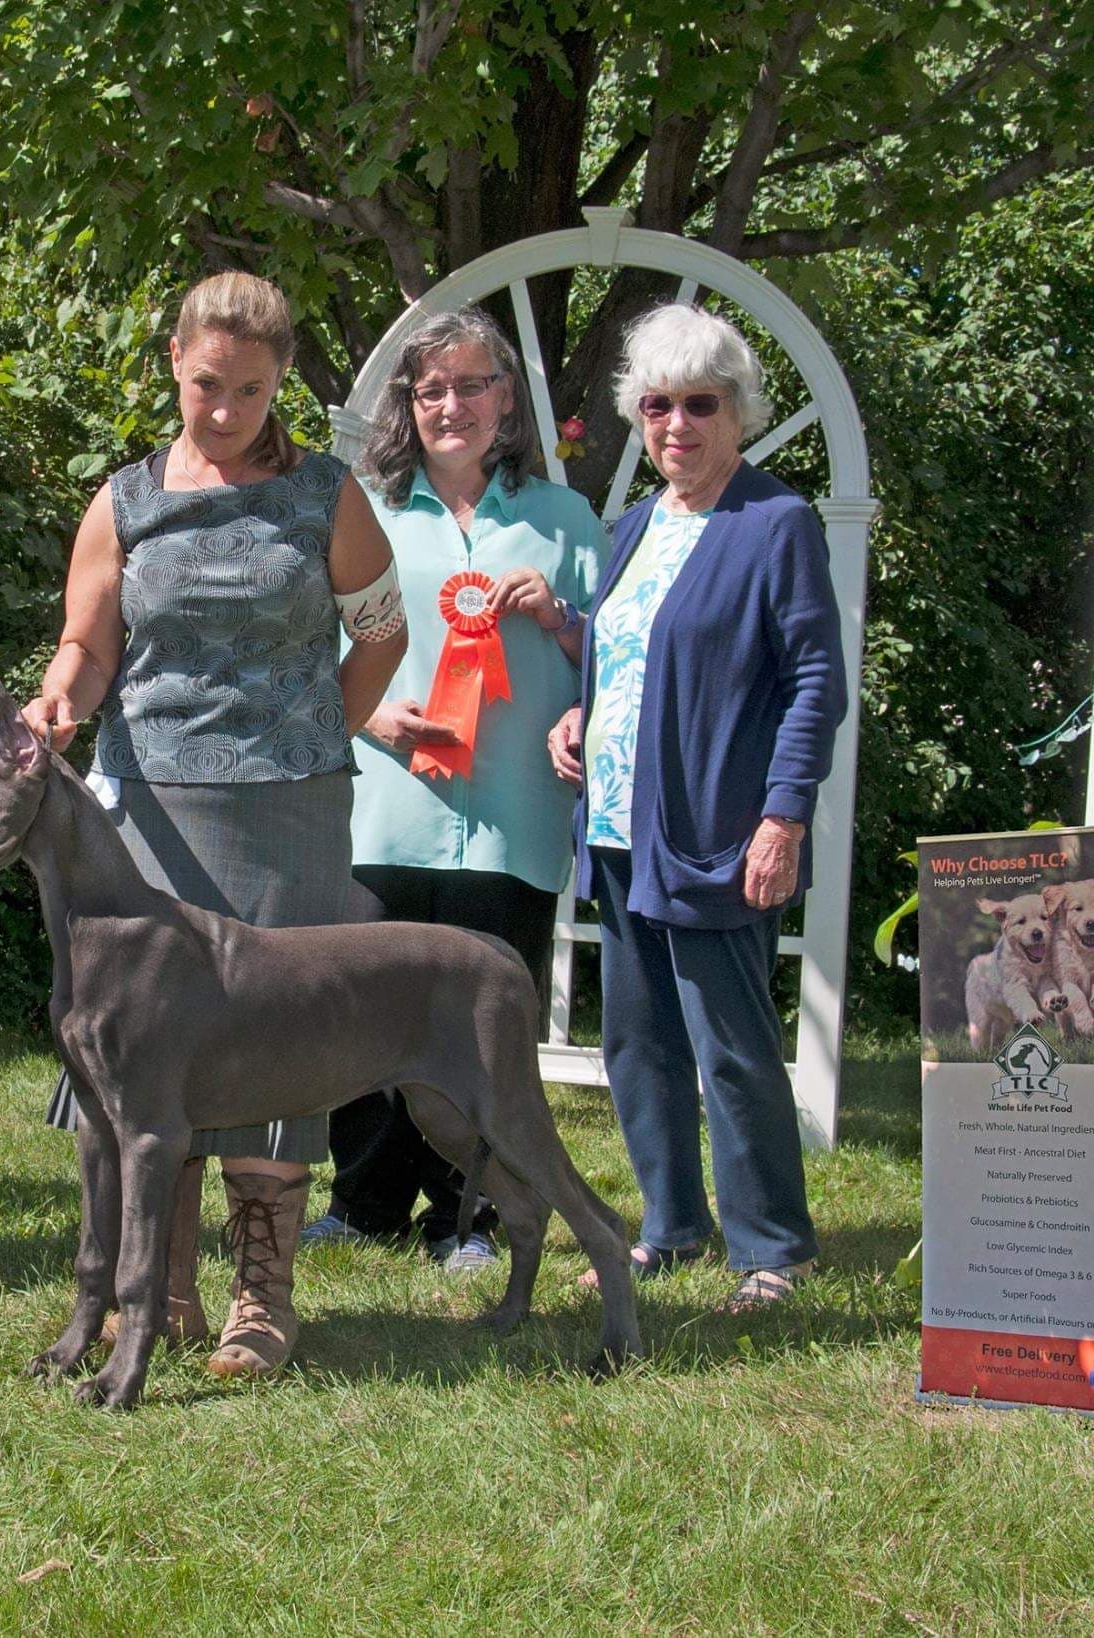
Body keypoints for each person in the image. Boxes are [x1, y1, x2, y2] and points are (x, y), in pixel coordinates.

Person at [21, 271, 406, 1377]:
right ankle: (159, 1287)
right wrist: (59, 701)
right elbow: (87, 646)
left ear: (279, 379)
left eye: (247, 388)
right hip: (145, 814)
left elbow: (380, 634)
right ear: (172, 369)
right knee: (148, 1056)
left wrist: (319, 735)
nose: (225, 410)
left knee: (277, 1044)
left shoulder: (326, 495)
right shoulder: (125, 500)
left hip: (289, 812)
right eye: (205, 386)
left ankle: (262, 1299)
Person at [548, 302, 848, 1313]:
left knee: (730, 1046)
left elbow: (814, 682)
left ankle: (772, 1246)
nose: (675, 424)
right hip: (617, 828)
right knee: (636, 1044)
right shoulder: (632, 526)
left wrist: (782, 816)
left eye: (699, 404)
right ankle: (671, 1227)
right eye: (656, 405)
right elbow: (630, 653)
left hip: (718, 833)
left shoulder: (774, 524)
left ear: (737, 413)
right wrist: (578, 714)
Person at [302, 307, 603, 1271]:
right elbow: (313, 644)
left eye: (473, 385)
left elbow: (621, 659)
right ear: (409, 404)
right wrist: (376, 716)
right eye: (432, 389)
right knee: (363, 1014)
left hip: (512, 814)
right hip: (387, 808)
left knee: (482, 1032)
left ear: (507, 400)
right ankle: (363, 1202)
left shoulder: (565, 521)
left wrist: (561, 620)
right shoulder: (363, 509)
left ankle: (468, 1215)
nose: (452, 405)